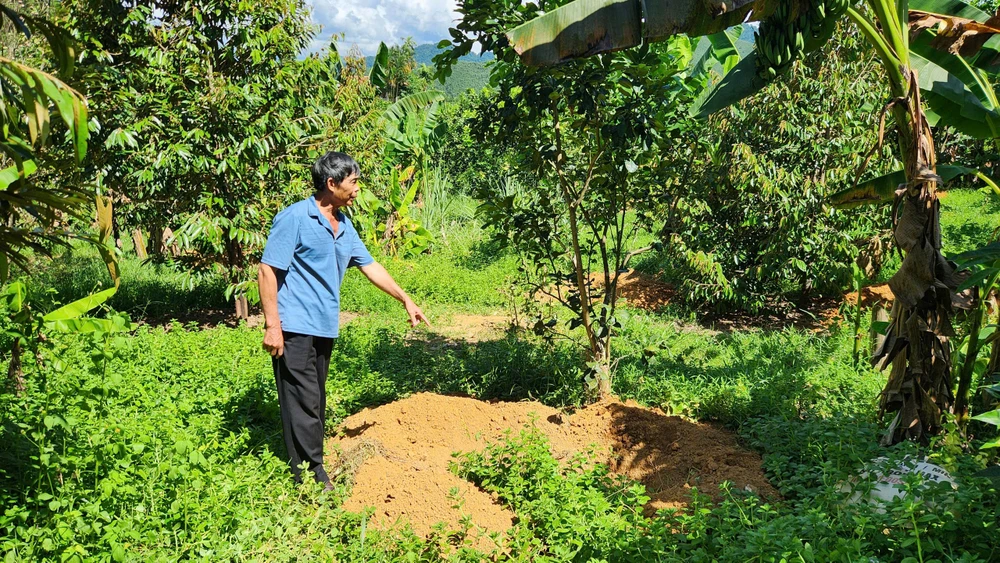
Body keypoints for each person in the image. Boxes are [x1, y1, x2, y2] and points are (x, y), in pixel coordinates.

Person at [258, 151, 429, 486]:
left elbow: (369, 266)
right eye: (353, 183)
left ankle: (309, 463)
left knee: (314, 398)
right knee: (302, 399)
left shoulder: (343, 223)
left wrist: (405, 298)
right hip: (293, 324)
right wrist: (272, 326)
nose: (357, 190)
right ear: (331, 183)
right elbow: (267, 270)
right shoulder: (295, 218)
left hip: (324, 325)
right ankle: (311, 476)